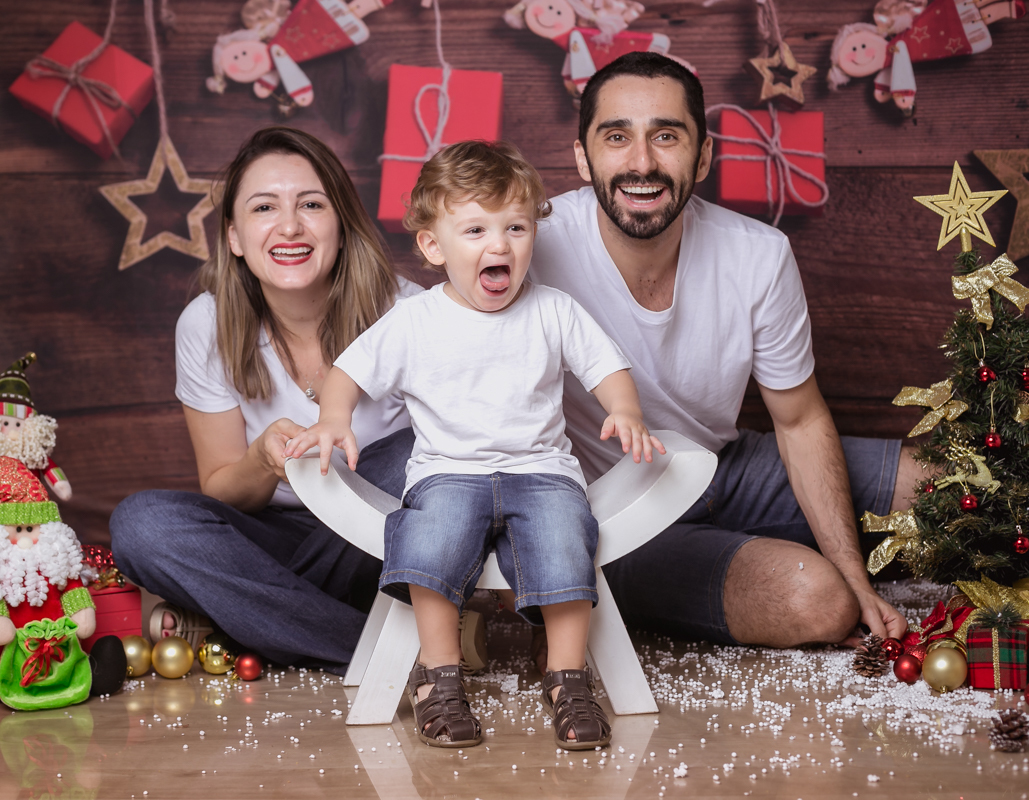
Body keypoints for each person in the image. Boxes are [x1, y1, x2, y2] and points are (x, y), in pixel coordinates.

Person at [527, 52, 919, 651]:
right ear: (582, 157)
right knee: (817, 601)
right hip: (611, 515)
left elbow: (799, 418)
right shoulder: (529, 247)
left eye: (666, 136)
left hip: (723, 468)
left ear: (704, 155)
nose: (642, 163)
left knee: (947, 485)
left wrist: (857, 570)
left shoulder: (758, 255)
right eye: (616, 137)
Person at [286, 140, 662, 750]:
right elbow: (349, 373)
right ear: (434, 246)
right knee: (428, 539)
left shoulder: (553, 310)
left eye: (515, 227)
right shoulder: (415, 321)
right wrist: (334, 418)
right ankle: (441, 679)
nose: (500, 245)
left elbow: (605, 367)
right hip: (447, 472)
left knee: (568, 536)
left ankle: (567, 678)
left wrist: (624, 408)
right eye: (475, 230)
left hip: (541, 473)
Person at [108, 126, 425, 672]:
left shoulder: (411, 315)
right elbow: (222, 489)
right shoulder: (206, 325)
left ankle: (248, 620)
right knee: (142, 524)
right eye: (263, 208)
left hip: (378, 544)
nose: (289, 226)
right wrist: (258, 461)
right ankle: (389, 649)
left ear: (342, 226)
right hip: (269, 540)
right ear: (233, 236)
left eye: (310, 203)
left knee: (412, 457)